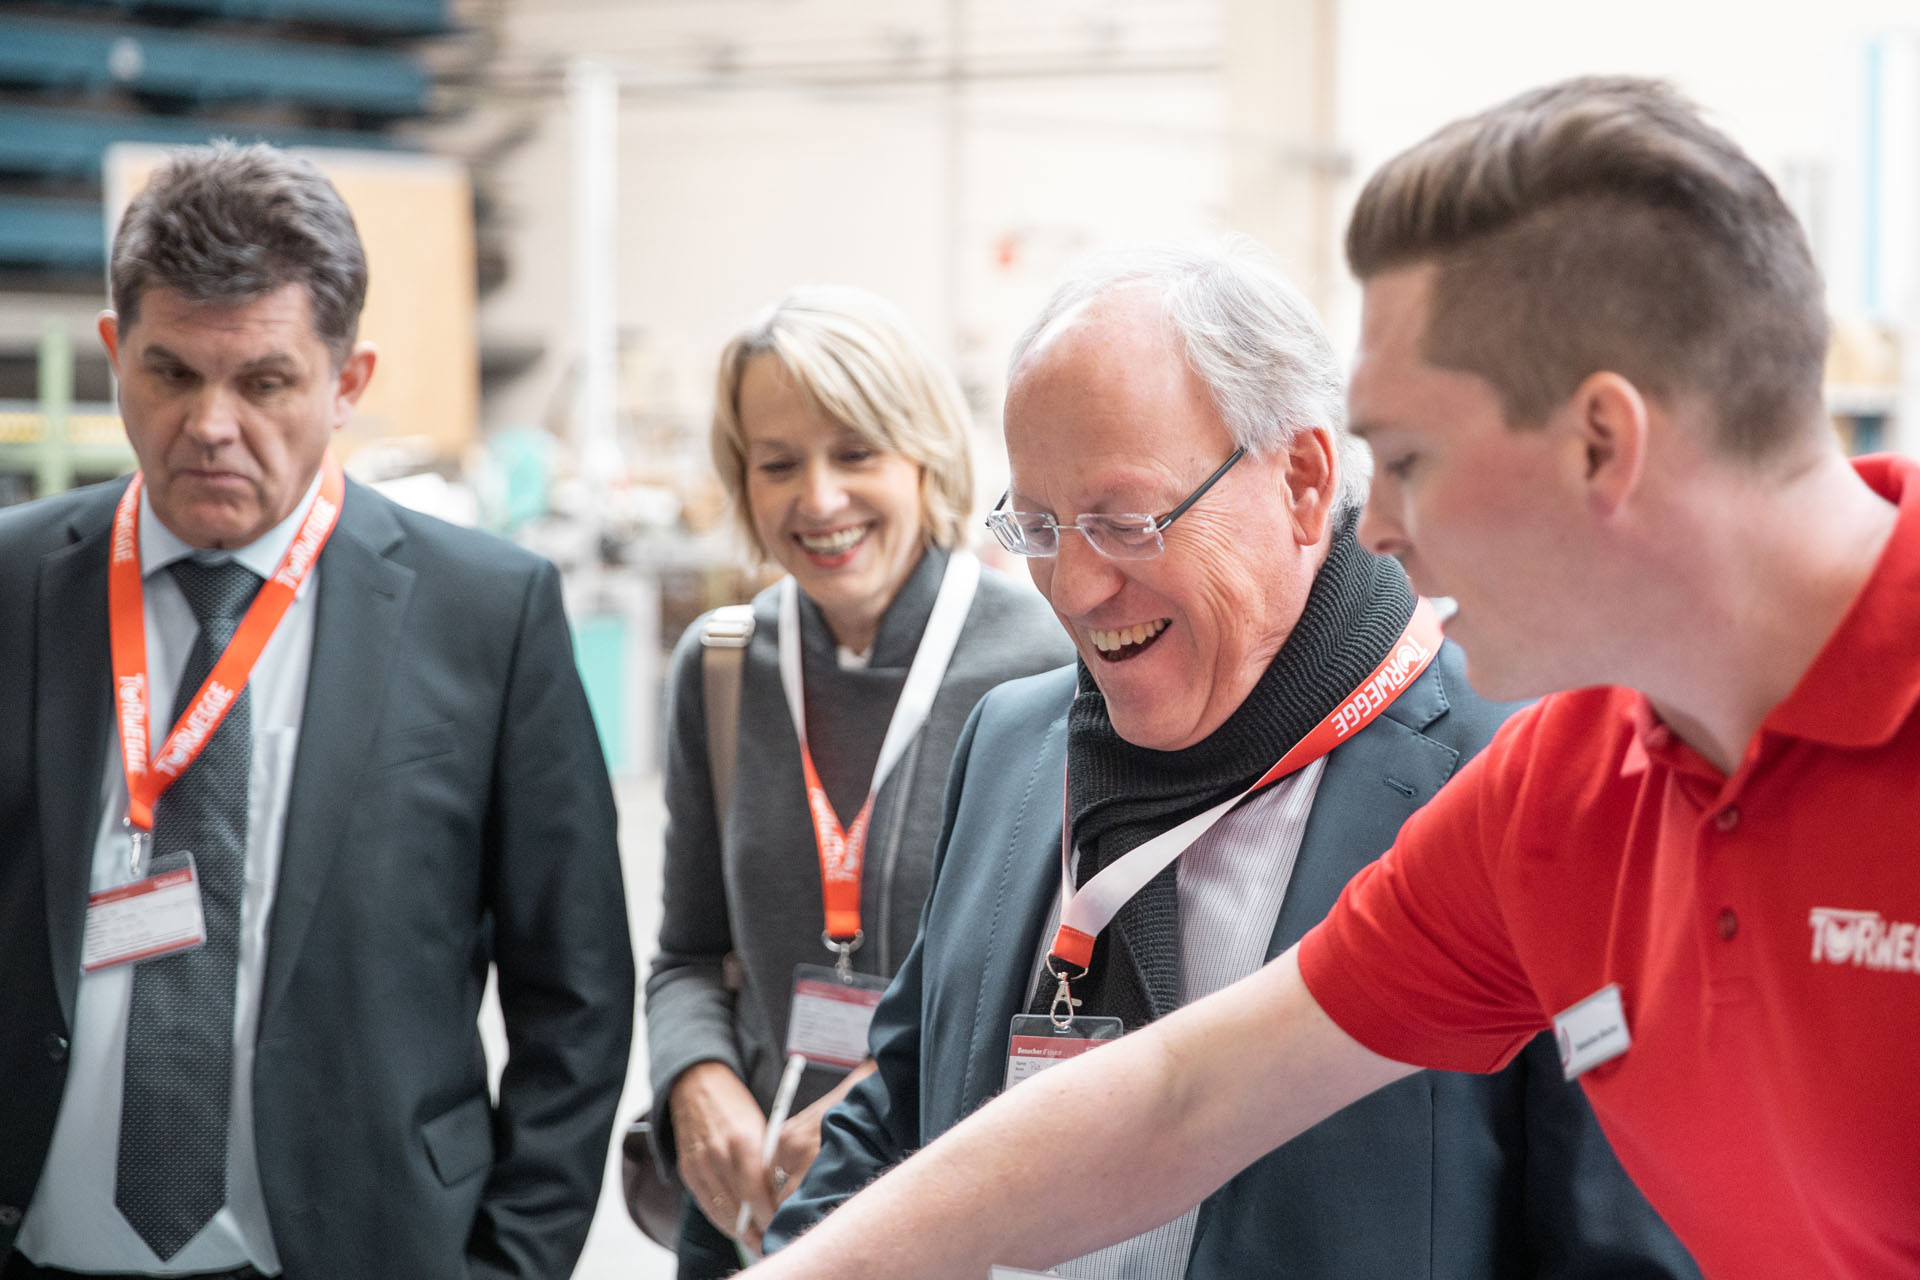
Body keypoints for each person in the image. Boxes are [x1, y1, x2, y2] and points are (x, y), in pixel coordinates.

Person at [745, 76, 1920, 1280]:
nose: (1383, 524)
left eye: (1408, 458)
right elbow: (1183, 1100)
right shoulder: (1565, 794)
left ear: (1600, 445)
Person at [764, 245, 1696, 1279]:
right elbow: (897, 1111)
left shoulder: (1519, 778)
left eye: (1125, 521)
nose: (1073, 587)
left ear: (1303, 479)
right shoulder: (1012, 746)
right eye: (1037, 527)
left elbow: (1619, 1246)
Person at [0, 142, 634, 1280]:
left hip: (367, 1247)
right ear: (112, 354)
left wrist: (512, 1263)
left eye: (265, 381)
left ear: (348, 379)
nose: (211, 423)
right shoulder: (14, 585)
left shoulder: (486, 613)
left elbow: (575, 993)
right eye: (172, 371)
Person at [644, 285, 1074, 1277]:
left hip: (951, 1203)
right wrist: (697, 1078)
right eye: (778, 462)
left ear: (923, 455)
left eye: (856, 453)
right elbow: (688, 954)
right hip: (754, 1209)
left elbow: (1071, 989)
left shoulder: (1048, 665)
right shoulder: (721, 667)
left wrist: (885, 1090)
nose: (819, 498)